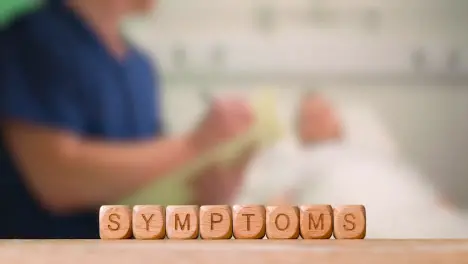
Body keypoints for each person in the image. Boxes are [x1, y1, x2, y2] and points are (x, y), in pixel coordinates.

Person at [0, 0, 253, 238]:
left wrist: (202, 197)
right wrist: (193, 147)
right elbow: (56, 177)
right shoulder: (33, 40)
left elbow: (144, 190)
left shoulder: (138, 68)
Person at [236, 93, 468, 238]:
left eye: (326, 113)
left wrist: (452, 217)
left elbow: (431, 197)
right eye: (310, 117)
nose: (321, 120)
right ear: (300, 131)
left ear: (339, 121)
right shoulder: (297, 158)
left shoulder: (378, 156)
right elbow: (277, 205)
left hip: (419, 219)